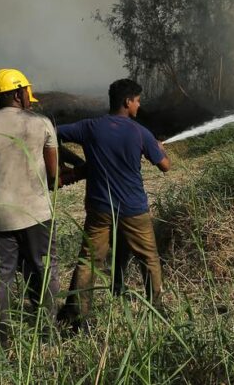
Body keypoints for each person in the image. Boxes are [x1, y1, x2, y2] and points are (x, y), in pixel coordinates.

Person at [56, 78, 170, 329]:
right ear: (127, 101)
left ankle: (80, 316)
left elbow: (52, 134)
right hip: (133, 209)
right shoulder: (141, 132)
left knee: (89, 261)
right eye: (137, 101)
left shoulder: (89, 127)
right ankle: (157, 309)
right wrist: (160, 148)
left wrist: (63, 165)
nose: (138, 106)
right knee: (148, 257)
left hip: (99, 208)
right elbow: (165, 166)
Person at [0, 68, 61, 340]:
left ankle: (2, 334)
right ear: (18, 93)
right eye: (27, 91)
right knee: (42, 268)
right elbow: (53, 175)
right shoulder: (41, 123)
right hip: (36, 213)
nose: (30, 97)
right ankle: (47, 329)